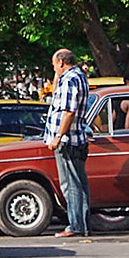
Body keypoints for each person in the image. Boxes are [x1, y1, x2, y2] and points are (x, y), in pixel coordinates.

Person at [44, 48, 92, 240]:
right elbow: (57, 96)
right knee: (79, 183)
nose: (54, 68)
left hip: (68, 140)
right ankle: (82, 223)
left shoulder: (71, 79)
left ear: (62, 63)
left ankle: (76, 224)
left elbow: (68, 111)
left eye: (54, 64)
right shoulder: (77, 77)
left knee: (70, 184)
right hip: (77, 137)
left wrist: (58, 136)